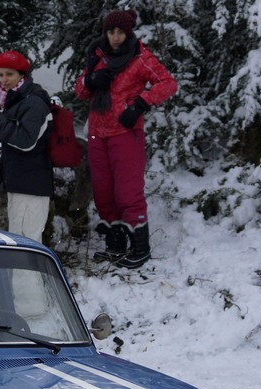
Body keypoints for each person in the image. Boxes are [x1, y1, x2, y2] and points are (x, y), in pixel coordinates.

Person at [74, 9, 177, 269]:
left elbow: (167, 83)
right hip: (98, 133)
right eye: (111, 32)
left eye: (120, 32)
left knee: (127, 193)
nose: (116, 37)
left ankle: (140, 247)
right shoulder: (97, 56)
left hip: (125, 133)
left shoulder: (139, 57)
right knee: (104, 193)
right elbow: (80, 91)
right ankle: (115, 245)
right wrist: (91, 79)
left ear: (128, 32)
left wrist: (140, 104)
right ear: (105, 32)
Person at [0, 50, 53, 243]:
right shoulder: (15, 100)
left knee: (28, 242)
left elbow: (26, 142)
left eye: (9, 74)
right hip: (19, 180)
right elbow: (10, 138)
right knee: (19, 240)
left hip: (31, 182)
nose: (4, 79)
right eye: (1, 74)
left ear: (22, 76)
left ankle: (30, 275)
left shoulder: (33, 102)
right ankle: (23, 275)